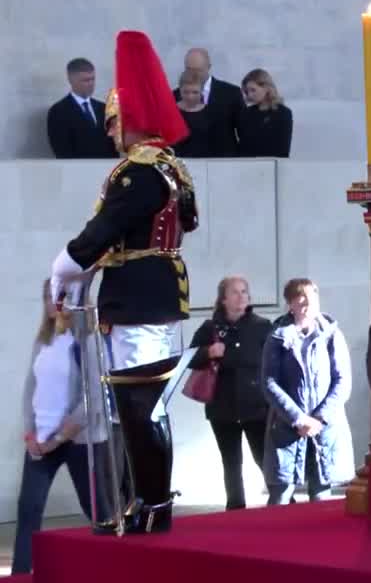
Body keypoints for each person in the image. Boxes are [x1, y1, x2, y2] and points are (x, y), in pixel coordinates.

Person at [48, 29, 197, 534]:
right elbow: (187, 222)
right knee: (146, 406)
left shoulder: (137, 171)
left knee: (139, 406)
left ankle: (151, 505)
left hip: (137, 295)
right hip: (155, 291)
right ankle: (151, 502)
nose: (112, 133)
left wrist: (65, 265)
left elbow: (104, 230)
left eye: (114, 123)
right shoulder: (170, 166)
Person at [13, 280, 97, 574]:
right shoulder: (43, 340)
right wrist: (31, 432)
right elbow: (29, 391)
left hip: (76, 441)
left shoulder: (86, 340)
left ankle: (116, 569)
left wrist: (62, 436)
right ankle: (20, 581)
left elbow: (93, 399)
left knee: (97, 512)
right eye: (47, 296)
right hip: (40, 441)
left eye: (58, 296)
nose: (52, 303)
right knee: (28, 510)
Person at [261, 278, 355, 504]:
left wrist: (318, 419)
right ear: (290, 304)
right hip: (287, 426)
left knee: (321, 495)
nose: (305, 305)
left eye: (309, 299)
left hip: (324, 428)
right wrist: (298, 418)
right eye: (298, 299)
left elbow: (342, 382)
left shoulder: (332, 335)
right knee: (280, 496)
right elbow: (269, 381)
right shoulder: (277, 337)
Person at [187, 276, 273, 510]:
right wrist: (208, 352)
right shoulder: (210, 328)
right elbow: (188, 359)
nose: (241, 296)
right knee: (231, 462)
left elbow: (273, 362)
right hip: (222, 407)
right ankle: (235, 507)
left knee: (263, 457)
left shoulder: (261, 326)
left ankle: (281, 501)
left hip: (255, 405)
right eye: (235, 292)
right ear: (223, 299)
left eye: (244, 291)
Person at [238, 68, 293, 158]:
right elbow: (243, 146)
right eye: (247, 91)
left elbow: (283, 150)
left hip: (271, 167)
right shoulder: (246, 113)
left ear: (266, 88)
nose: (249, 95)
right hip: (245, 166)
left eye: (253, 90)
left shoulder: (283, 113)